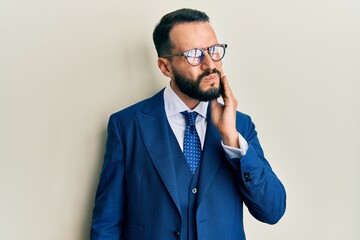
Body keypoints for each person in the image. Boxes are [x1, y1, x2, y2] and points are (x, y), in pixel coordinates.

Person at [90, 8, 286, 240]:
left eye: (214, 50)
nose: (209, 64)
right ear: (165, 67)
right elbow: (107, 224)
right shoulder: (126, 125)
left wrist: (231, 140)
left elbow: (272, 211)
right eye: (194, 54)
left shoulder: (240, 126)